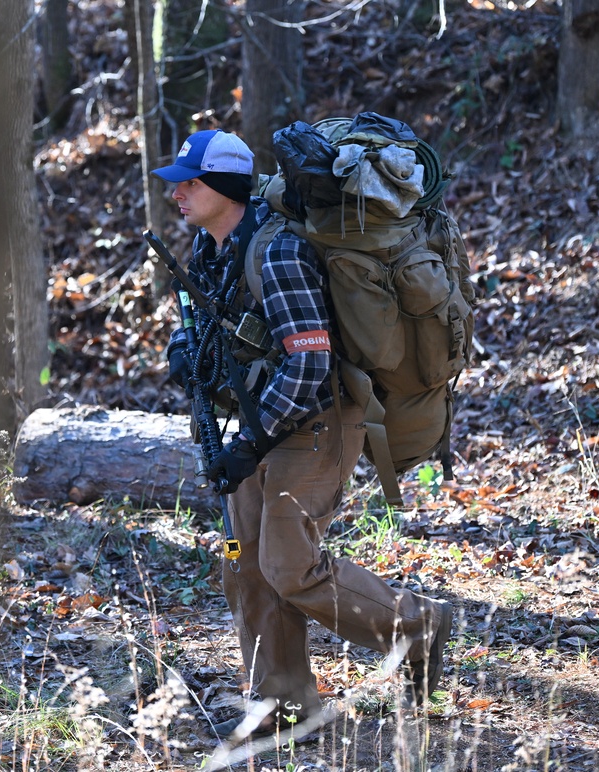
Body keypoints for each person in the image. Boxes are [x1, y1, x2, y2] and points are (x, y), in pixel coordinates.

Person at [151, 129, 453, 741]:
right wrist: (184, 353)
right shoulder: (210, 248)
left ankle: (416, 625)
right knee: (244, 568)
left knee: (289, 565)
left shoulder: (277, 252)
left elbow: (310, 362)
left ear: (227, 187)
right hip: (255, 425)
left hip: (314, 424)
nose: (178, 192)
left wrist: (252, 442)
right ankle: (285, 707)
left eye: (191, 181)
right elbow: (208, 327)